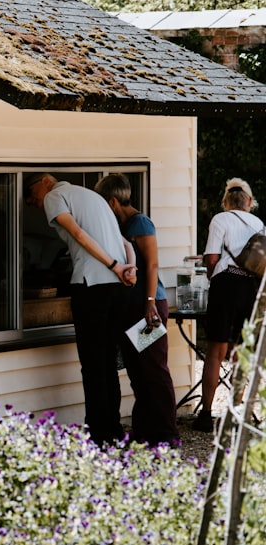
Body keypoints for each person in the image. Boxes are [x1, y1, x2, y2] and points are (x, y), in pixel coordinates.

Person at [25, 173, 137, 445]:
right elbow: (127, 244)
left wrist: (113, 265)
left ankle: (98, 434)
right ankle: (113, 429)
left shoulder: (54, 196)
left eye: (31, 195)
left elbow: (76, 232)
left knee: (92, 363)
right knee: (108, 361)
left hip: (92, 285)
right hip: (117, 287)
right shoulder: (93, 197)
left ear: (45, 181)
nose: (33, 202)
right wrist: (128, 268)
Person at [94, 173, 179, 445]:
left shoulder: (140, 223)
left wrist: (150, 303)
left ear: (113, 201)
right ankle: (144, 432)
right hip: (131, 309)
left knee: (154, 370)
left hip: (149, 308)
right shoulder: (118, 227)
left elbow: (152, 265)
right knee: (137, 372)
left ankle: (166, 434)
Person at [196, 178, 264, 432]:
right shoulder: (259, 224)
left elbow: (212, 257)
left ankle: (205, 414)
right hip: (250, 287)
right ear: (248, 202)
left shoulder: (220, 219)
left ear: (226, 201)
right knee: (239, 353)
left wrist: (211, 274)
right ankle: (235, 415)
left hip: (225, 284)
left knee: (215, 350)